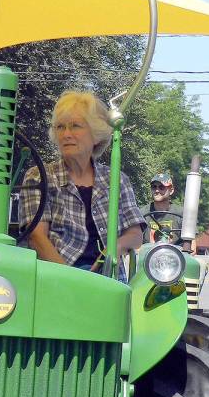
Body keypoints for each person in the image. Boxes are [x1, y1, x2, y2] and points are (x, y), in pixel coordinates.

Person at [18, 91, 145, 279]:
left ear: (96, 135)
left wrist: (115, 247)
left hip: (108, 278)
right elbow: (37, 238)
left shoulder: (116, 179)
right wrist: (71, 280)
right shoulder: (39, 176)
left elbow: (135, 234)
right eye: (60, 127)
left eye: (75, 126)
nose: (66, 134)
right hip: (56, 277)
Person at [142, 173, 184, 246]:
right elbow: (135, 245)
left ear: (171, 190)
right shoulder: (142, 213)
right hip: (148, 255)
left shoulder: (181, 213)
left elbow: (191, 247)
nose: (157, 190)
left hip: (174, 256)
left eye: (161, 187)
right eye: (154, 187)